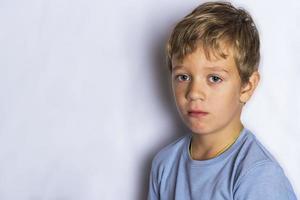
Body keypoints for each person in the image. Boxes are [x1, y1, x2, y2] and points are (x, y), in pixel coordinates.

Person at [147, 1, 298, 200]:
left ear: (247, 87)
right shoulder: (164, 165)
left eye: (214, 78)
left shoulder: (258, 176)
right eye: (183, 77)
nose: (194, 92)